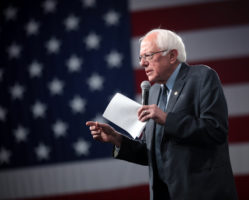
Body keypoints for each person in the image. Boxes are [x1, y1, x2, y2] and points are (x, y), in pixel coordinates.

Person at [86, 29, 238, 200]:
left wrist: (167, 119)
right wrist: (117, 139)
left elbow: (215, 130)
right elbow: (153, 153)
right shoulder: (154, 92)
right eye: (140, 57)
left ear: (172, 55)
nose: (143, 63)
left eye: (148, 55)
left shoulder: (201, 77)